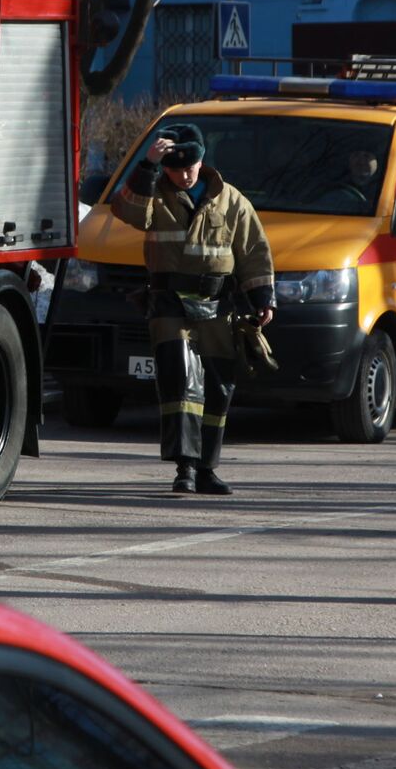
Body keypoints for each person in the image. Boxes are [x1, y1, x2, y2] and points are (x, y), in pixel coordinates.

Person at [111, 124, 275, 495]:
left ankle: (207, 469)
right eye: (175, 168)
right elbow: (127, 210)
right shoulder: (153, 194)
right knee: (181, 382)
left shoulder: (232, 201)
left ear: (203, 160)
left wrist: (264, 299)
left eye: (192, 166)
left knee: (218, 387)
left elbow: (254, 252)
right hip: (170, 305)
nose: (185, 175)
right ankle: (184, 467)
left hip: (219, 307)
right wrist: (148, 166)